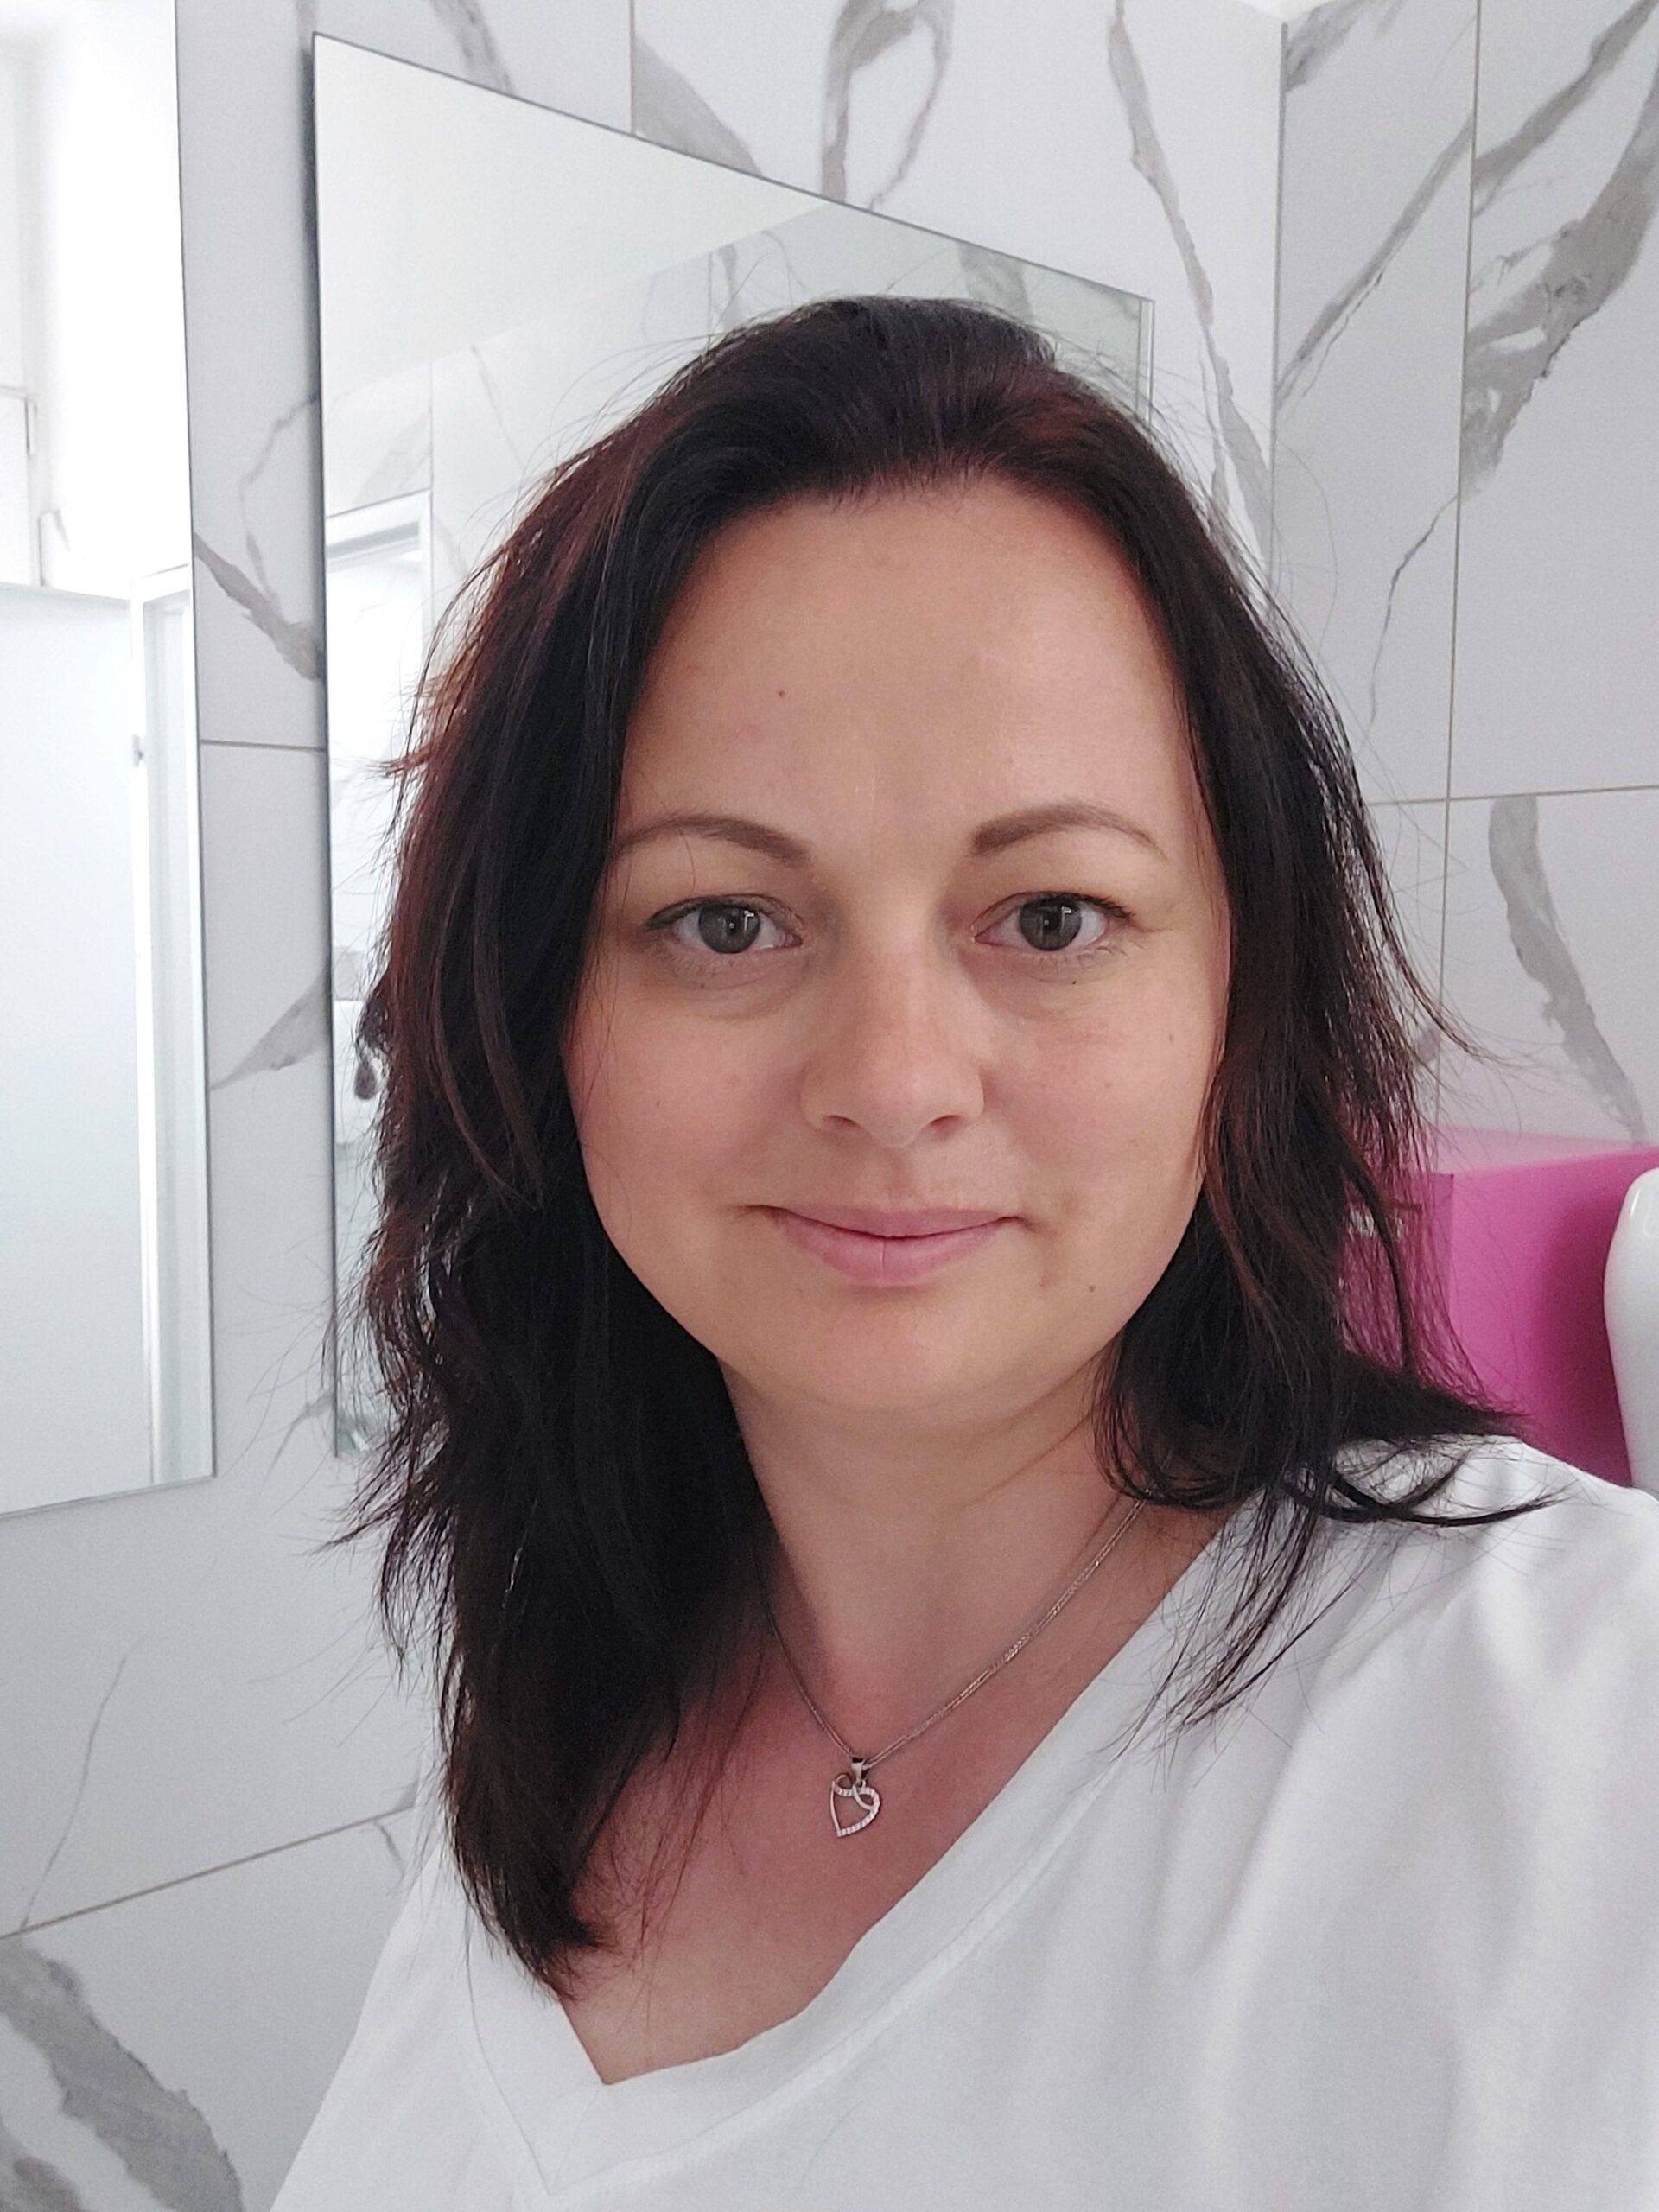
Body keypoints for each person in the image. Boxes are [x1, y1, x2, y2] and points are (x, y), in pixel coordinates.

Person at [273, 296, 1659, 2209]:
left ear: (1241, 999)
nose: (895, 1081)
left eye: (1053, 915)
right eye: (726, 921)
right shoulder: (568, 1685)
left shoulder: (1591, 1738)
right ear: (534, 1012)